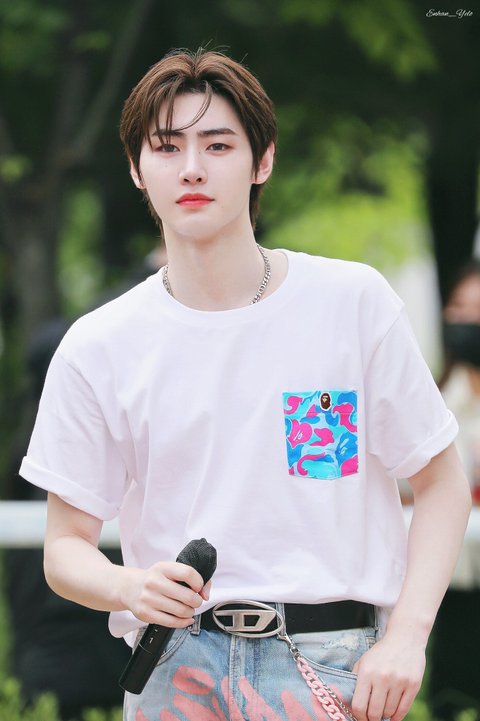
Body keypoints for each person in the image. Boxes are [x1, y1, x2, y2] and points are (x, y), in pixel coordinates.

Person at [19, 48, 471, 721]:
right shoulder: (100, 344)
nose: (192, 167)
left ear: (263, 161)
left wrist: (407, 636)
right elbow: (64, 548)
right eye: (166, 146)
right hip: (175, 664)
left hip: (330, 659)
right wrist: (129, 587)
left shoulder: (351, 304)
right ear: (137, 168)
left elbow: (442, 483)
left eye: (218, 144)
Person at [427, 261, 480, 719]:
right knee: (450, 690)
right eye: (459, 309)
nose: (465, 322)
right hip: (452, 579)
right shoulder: (440, 393)